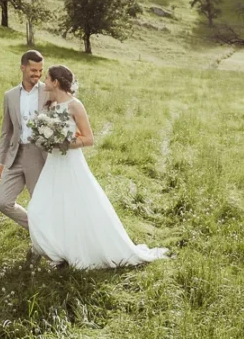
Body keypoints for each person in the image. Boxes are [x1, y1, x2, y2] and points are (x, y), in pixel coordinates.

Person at [27, 65, 169, 269]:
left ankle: (74, 252)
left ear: (55, 82)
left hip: (70, 162)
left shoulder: (75, 106)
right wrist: (44, 139)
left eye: (47, 78)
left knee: (75, 206)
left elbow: (89, 139)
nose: (44, 81)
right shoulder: (51, 104)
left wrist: (63, 142)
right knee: (40, 207)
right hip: (53, 162)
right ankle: (59, 249)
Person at [0, 50, 47, 230]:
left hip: (38, 155)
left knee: (40, 203)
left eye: (40, 70)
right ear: (22, 68)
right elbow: (6, 131)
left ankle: (45, 240)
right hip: (15, 155)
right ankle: (37, 230)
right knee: (3, 202)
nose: (38, 74)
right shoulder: (10, 96)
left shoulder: (48, 92)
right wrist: (0, 161)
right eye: (33, 70)